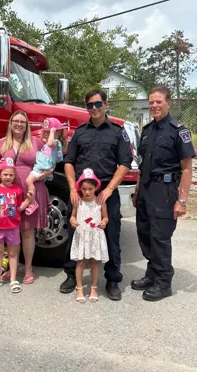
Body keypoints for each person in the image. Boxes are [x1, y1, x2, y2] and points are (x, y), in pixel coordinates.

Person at [61, 89, 133, 301]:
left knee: (111, 235)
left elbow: (125, 163)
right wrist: (73, 189)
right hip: (81, 194)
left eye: (97, 104)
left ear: (105, 104)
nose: (94, 108)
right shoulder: (79, 132)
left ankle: (112, 279)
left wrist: (109, 189)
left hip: (105, 194)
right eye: (90, 105)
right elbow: (68, 162)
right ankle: (71, 275)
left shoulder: (118, 132)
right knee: (75, 234)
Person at [131, 87, 195, 301]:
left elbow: (187, 168)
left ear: (168, 103)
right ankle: (152, 274)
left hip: (165, 191)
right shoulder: (147, 130)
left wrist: (182, 200)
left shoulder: (178, 131)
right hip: (146, 189)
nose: (154, 106)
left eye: (158, 102)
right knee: (145, 234)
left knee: (160, 237)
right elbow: (141, 165)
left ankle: (164, 282)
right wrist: (137, 191)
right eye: (151, 102)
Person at [0, 111, 49, 285]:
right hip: (8, 195)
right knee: (11, 230)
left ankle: (29, 269)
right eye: (15, 121)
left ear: (27, 125)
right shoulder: (1, 143)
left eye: (22, 122)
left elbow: (50, 167)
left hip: (31, 191)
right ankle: (12, 268)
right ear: (10, 123)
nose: (18, 124)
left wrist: (36, 178)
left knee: (27, 231)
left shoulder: (36, 143)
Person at [0, 157, 33, 293]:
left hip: (13, 228)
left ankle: (12, 279)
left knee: (13, 254)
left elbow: (19, 208)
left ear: (14, 176)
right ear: (0, 174)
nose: (8, 177)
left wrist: (29, 200)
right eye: (5, 174)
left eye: (11, 175)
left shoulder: (17, 190)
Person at [70, 168, 109, 302]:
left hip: (95, 236)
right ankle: (79, 288)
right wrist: (73, 221)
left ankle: (93, 287)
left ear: (95, 187)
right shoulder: (78, 202)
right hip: (82, 236)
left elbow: (105, 217)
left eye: (90, 189)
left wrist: (104, 222)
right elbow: (72, 217)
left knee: (95, 263)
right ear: (80, 188)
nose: (87, 192)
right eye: (84, 189)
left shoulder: (100, 202)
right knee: (80, 262)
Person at [25, 118, 68, 215]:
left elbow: (50, 143)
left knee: (29, 181)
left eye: (48, 132)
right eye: (45, 132)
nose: (45, 134)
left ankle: (32, 203)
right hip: (42, 168)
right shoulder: (48, 144)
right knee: (43, 186)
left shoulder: (55, 143)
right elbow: (44, 142)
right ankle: (48, 202)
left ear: (56, 133)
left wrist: (52, 131)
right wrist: (44, 133)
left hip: (41, 169)